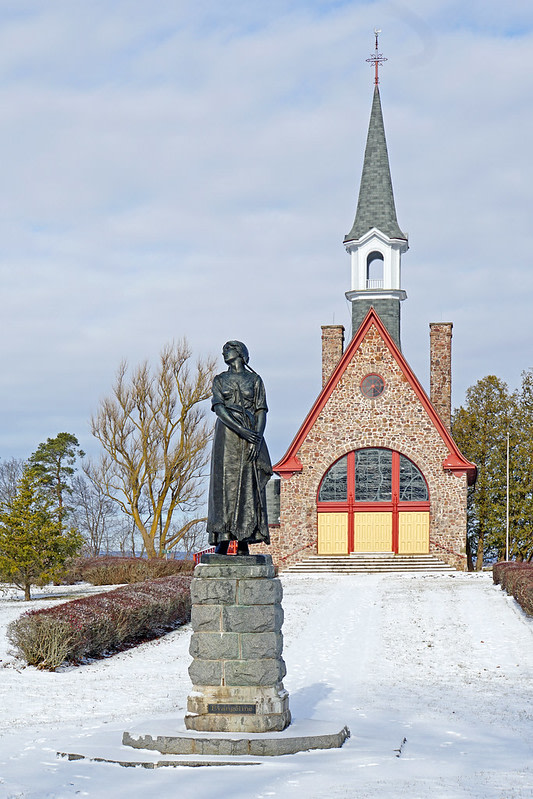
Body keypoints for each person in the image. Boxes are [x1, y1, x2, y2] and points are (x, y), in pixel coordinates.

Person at [206, 341, 272, 555]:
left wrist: (257, 438)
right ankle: (223, 537)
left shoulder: (255, 380)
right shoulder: (219, 380)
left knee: (248, 483)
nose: (224, 352)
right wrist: (241, 430)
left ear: (240, 354)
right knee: (224, 483)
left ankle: (245, 538)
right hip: (227, 434)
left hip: (250, 433)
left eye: (229, 349)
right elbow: (219, 409)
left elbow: (261, 410)